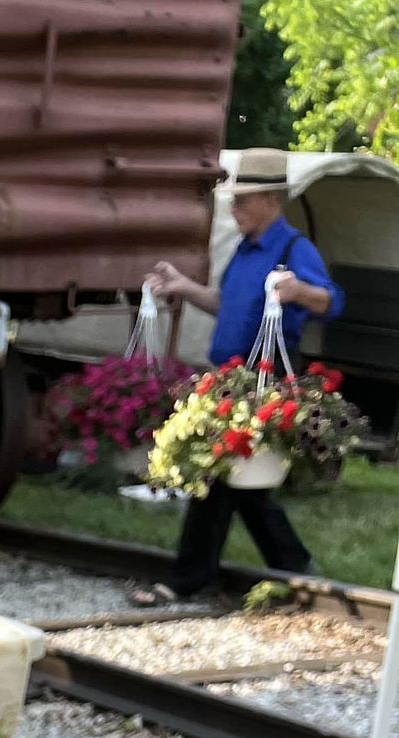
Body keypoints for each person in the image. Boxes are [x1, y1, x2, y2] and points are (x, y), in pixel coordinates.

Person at [132, 146, 343, 605]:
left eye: (242, 201)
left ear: (270, 200)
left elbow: (330, 302)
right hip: (228, 378)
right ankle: (294, 570)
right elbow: (226, 304)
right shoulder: (246, 252)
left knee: (219, 476)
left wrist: (298, 290)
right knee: (240, 481)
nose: (233, 208)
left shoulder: (293, 249)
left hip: (263, 379)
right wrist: (182, 287)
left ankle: (190, 577)